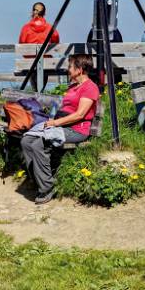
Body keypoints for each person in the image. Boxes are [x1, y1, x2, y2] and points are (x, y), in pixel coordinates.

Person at [19, 54, 99, 204]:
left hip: (76, 130)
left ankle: (47, 187)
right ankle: (37, 179)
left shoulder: (90, 88)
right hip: (61, 125)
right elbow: (60, 105)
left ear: (80, 69)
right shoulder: (73, 87)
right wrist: (52, 117)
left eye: (70, 66)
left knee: (38, 144)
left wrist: (55, 123)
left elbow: (80, 114)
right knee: (26, 140)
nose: (68, 69)